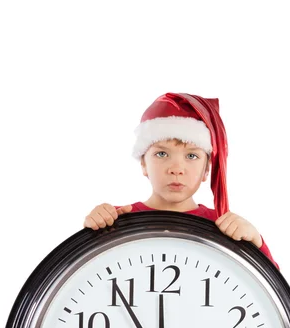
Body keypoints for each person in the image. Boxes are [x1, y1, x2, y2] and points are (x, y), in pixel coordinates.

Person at [83, 92, 279, 270]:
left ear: (206, 169)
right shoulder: (119, 220)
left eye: (192, 156)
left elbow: (268, 291)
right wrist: (95, 227)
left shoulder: (221, 226)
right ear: (143, 163)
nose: (176, 169)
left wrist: (255, 242)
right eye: (161, 153)